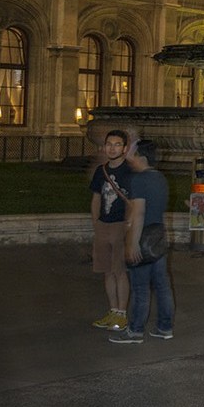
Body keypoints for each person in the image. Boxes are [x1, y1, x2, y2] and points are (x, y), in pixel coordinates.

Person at [110, 139, 175, 344]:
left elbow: (138, 213)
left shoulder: (139, 180)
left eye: (134, 155)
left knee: (140, 288)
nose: (130, 159)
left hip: (143, 238)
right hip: (158, 238)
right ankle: (165, 327)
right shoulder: (160, 178)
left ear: (142, 158)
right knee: (163, 286)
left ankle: (136, 330)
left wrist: (132, 243)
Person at [89, 129, 133, 331]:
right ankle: (113, 310)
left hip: (120, 226)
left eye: (117, 145)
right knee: (107, 271)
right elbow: (96, 197)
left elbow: (135, 201)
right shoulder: (101, 171)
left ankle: (122, 313)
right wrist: (96, 222)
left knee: (120, 271)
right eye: (109, 144)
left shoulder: (130, 172)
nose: (112, 148)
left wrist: (129, 225)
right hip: (103, 225)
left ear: (124, 148)